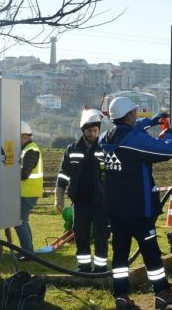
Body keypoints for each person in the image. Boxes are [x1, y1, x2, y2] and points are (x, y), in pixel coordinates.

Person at [99, 97, 172, 310]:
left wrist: (151, 121)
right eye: (135, 112)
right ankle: (162, 293)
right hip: (138, 209)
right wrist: (167, 130)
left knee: (120, 254)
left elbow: (127, 129)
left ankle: (121, 296)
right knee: (151, 252)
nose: (137, 114)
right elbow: (166, 150)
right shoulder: (134, 141)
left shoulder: (105, 138)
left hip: (115, 210)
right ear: (129, 115)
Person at [55, 108, 109, 273]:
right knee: (81, 235)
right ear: (83, 130)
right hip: (80, 202)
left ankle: (101, 268)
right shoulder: (72, 150)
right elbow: (63, 175)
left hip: (101, 202)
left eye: (95, 130)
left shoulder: (104, 149)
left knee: (101, 236)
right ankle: (84, 266)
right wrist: (59, 196)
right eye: (89, 130)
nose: (93, 134)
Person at [16, 121, 43, 260]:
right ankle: (28, 251)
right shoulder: (28, 149)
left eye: (17, 136)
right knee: (22, 221)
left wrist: (8, 173)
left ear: (24, 136)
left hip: (29, 192)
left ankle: (28, 253)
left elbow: (24, 173)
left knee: (19, 221)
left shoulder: (31, 150)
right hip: (27, 192)